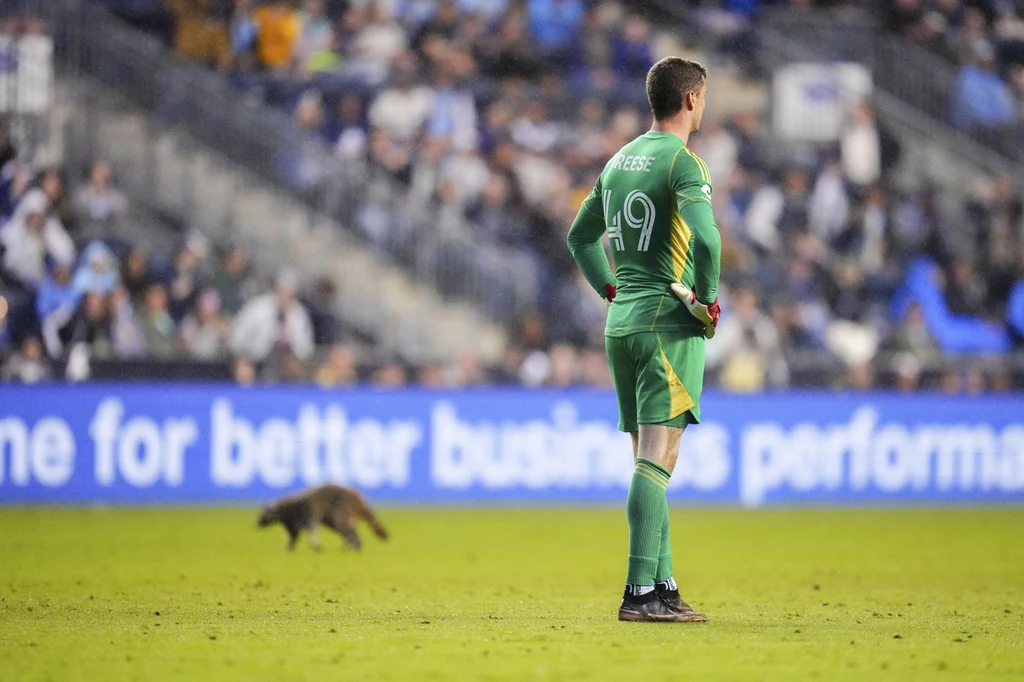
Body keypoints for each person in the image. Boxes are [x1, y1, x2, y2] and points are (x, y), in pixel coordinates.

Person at [567, 57, 721, 623]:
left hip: (623, 321)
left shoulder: (618, 160)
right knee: (659, 458)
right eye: (703, 97)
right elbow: (707, 242)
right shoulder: (683, 163)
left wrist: (609, 288)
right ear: (690, 100)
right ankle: (639, 594)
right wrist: (705, 301)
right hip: (665, 323)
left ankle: (663, 583)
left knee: (650, 459)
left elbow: (579, 237)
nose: (703, 106)